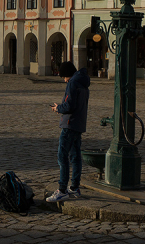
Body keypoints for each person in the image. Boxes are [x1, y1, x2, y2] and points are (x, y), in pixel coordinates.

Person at [47, 61, 90, 202]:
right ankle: (75, 187)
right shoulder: (83, 83)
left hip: (69, 124)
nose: (64, 80)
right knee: (76, 156)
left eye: (64, 77)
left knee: (62, 156)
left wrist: (58, 108)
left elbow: (69, 105)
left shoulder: (72, 83)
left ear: (67, 75)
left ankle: (62, 189)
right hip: (79, 124)